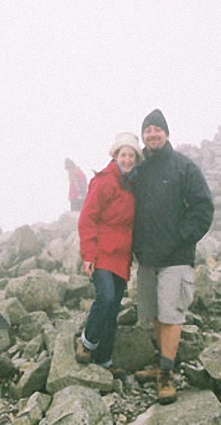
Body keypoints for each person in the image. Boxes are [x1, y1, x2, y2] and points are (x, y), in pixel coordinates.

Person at [132, 109, 214, 405]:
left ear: (166, 134)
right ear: (143, 135)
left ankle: (166, 375)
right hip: (147, 258)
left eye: (157, 129)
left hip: (176, 258)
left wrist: (182, 238)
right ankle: (160, 363)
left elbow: (203, 208)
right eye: (147, 130)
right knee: (154, 314)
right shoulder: (138, 170)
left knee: (171, 314)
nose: (152, 134)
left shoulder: (183, 167)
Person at [75, 132, 143, 369]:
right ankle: (87, 342)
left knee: (113, 308)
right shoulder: (103, 181)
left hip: (122, 256)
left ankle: (104, 360)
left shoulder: (134, 185)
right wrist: (88, 256)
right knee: (105, 297)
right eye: (123, 154)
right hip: (102, 252)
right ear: (115, 155)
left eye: (131, 155)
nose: (126, 159)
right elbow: (87, 219)